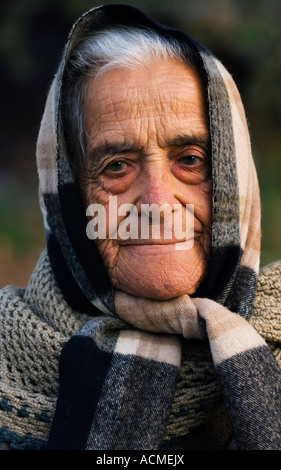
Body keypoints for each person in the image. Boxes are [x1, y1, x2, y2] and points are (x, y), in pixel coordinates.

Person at [0, 4, 281, 451]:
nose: (156, 203)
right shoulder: (8, 364)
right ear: (70, 196)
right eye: (117, 167)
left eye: (191, 160)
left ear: (234, 179)